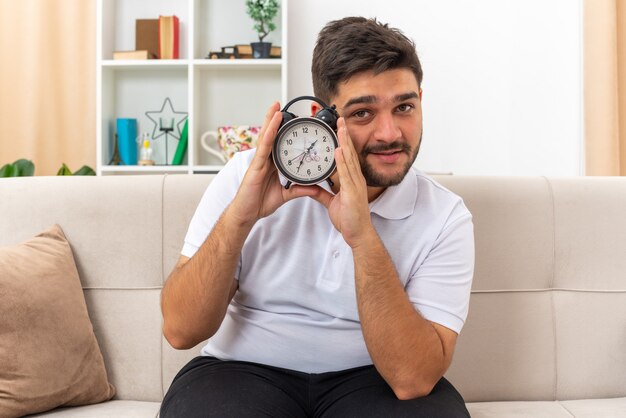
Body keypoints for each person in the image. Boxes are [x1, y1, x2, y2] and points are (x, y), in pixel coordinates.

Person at [160, 16, 474, 418]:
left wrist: (362, 238)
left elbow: (412, 379)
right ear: (323, 116)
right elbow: (180, 330)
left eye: (404, 107)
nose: (389, 133)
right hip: (240, 372)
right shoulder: (245, 174)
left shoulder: (446, 216)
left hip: (375, 378)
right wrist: (242, 216)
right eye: (363, 113)